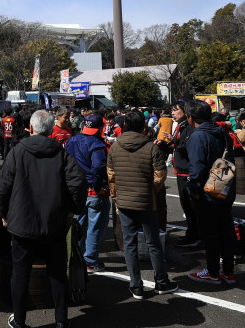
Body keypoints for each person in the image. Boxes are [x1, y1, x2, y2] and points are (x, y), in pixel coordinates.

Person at [0, 110, 86, 328]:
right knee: (57, 273)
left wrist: (4, 213)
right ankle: (61, 322)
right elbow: (78, 182)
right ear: (51, 129)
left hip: (22, 224)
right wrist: (73, 210)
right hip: (53, 224)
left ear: (31, 128)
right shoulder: (61, 152)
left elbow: (2, 187)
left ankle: (19, 321)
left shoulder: (17, 152)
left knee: (20, 273)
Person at [109, 111, 177, 298]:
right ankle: (161, 282)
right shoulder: (151, 147)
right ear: (144, 126)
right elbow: (160, 174)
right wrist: (152, 189)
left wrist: (116, 197)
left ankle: (136, 285)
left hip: (124, 201)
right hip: (146, 201)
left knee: (129, 243)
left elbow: (111, 176)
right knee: (153, 242)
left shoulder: (115, 147)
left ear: (124, 125)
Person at [184, 99, 235, 285]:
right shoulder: (222, 132)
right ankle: (228, 271)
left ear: (191, 118)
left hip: (207, 191)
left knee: (210, 233)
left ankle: (213, 272)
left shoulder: (198, 136)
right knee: (226, 231)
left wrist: (194, 191)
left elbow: (196, 167)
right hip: (225, 187)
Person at [66, 114, 110, 271]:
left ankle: (76, 256)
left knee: (79, 224)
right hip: (93, 189)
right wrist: (98, 187)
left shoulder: (72, 140)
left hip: (76, 188)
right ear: (100, 128)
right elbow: (97, 167)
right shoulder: (97, 144)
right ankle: (90, 260)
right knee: (95, 227)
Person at [163, 101, 199, 248]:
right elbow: (177, 146)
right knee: (186, 205)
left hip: (187, 171)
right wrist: (164, 144)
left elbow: (187, 147)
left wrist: (174, 141)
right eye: (172, 110)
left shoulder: (190, 127)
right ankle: (192, 234)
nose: (172, 113)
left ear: (185, 112)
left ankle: (194, 236)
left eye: (176, 110)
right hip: (180, 169)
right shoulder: (180, 126)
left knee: (190, 206)